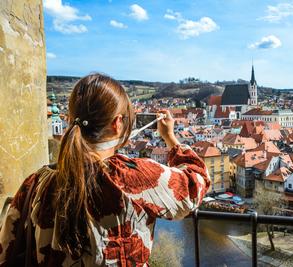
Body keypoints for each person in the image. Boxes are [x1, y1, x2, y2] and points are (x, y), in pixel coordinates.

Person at [0, 74, 210, 266]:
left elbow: (6, 250)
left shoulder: (36, 182)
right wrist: (171, 139)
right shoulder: (135, 177)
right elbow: (197, 181)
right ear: (117, 123)